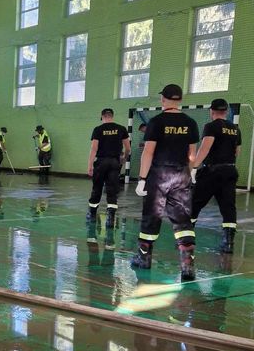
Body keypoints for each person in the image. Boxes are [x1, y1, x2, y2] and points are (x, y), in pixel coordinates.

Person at [131, 84, 199, 280]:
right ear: (180, 100)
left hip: (159, 176)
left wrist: (142, 179)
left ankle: (144, 259)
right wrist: (191, 172)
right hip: (181, 175)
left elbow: (148, 152)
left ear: (163, 99)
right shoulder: (190, 122)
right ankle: (187, 266)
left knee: (151, 217)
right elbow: (192, 154)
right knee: (183, 220)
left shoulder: (156, 122)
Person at [190, 98, 241, 253]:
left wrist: (194, 167)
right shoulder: (235, 129)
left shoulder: (211, 127)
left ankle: (186, 238)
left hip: (212, 172)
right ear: (226, 111)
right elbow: (236, 152)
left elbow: (204, 148)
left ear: (211, 111)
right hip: (230, 171)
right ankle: (228, 243)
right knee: (228, 207)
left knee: (195, 203)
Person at [87, 108, 130, 227]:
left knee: (97, 188)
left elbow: (94, 149)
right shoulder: (121, 128)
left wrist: (90, 165)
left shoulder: (98, 129)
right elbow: (128, 148)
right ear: (112, 116)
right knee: (112, 190)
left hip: (101, 162)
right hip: (115, 162)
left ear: (102, 117)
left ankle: (92, 215)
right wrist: (124, 158)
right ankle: (111, 218)